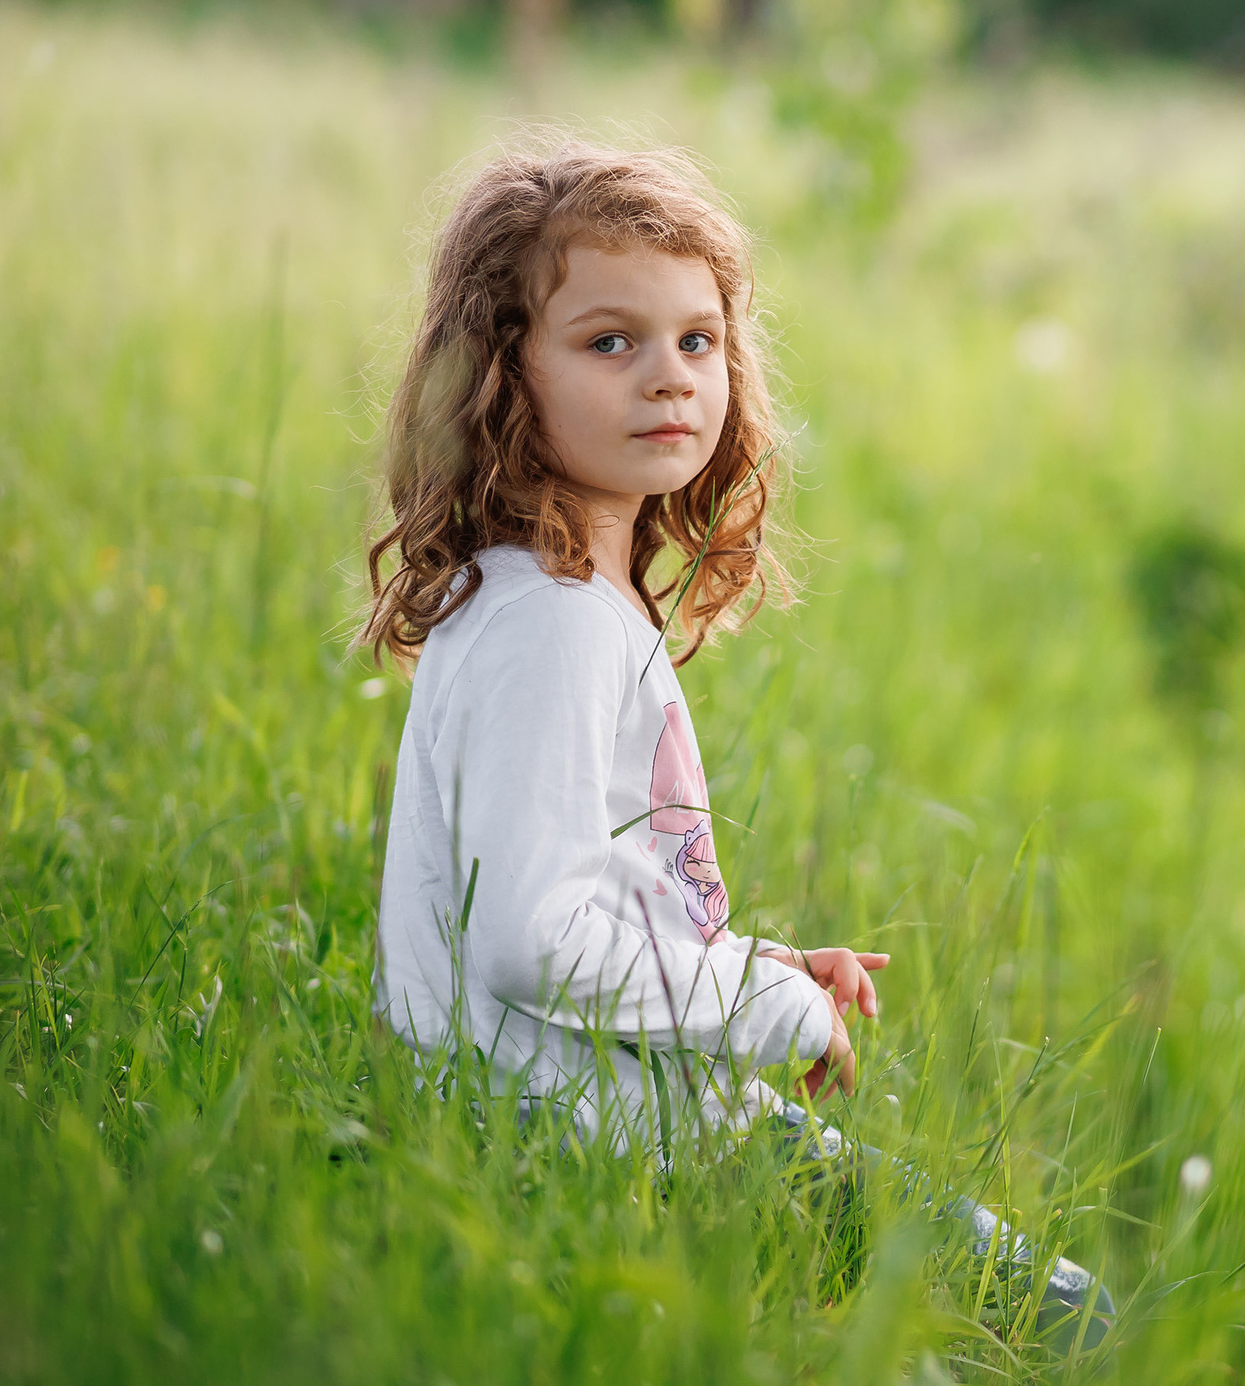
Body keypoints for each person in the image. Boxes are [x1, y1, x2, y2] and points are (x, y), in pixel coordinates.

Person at [358, 139, 1112, 1345]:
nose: (668, 378)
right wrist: (772, 1019)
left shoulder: (553, 601)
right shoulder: (550, 623)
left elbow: (583, 901)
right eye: (611, 342)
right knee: (1069, 1327)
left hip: (622, 1121)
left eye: (696, 340)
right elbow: (525, 938)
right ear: (502, 373)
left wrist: (755, 966)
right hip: (609, 1144)